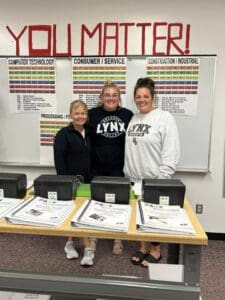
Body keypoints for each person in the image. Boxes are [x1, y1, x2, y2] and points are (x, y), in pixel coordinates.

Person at [124, 77, 180, 267]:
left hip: (153, 180)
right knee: (138, 214)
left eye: (145, 96)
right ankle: (143, 246)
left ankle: (155, 250)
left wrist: (162, 180)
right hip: (134, 178)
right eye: (138, 97)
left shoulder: (164, 118)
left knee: (153, 216)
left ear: (152, 97)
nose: (141, 100)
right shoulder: (134, 117)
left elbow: (171, 152)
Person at [89, 81, 133, 255]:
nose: (111, 98)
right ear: (101, 97)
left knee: (119, 203)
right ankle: (93, 236)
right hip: (96, 167)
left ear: (119, 97)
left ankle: (118, 237)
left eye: (114, 95)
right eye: (107, 95)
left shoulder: (128, 115)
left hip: (119, 167)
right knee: (95, 202)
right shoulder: (91, 114)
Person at [54, 100, 94, 267]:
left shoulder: (90, 132)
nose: (80, 116)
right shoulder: (64, 134)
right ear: (71, 115)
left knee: (83, 212)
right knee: (75, 213)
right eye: (77, 113)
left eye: (83, 113)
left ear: (87, 115)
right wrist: (65, 183)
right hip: (71, 182)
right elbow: (59, 160)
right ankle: (87, 248)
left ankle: (69, 243)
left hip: (88, 180)